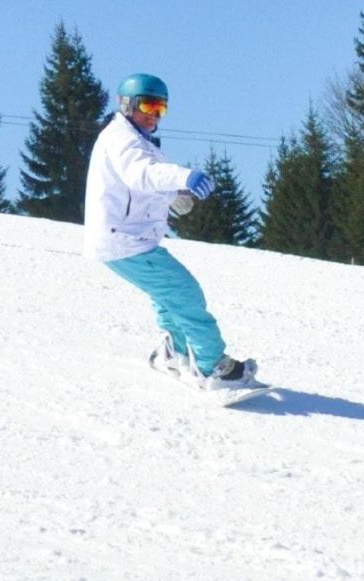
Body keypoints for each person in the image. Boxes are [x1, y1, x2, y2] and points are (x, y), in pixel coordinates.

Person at [84, 73, 256, 390]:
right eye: (147, 105)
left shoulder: (136, 140)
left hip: (129, 239)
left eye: (160, 108)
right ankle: (213, 366)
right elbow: (141, 174)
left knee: (168, 294)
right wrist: (183, 177)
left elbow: (139, 183)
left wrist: (171, 196)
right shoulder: (123, 140)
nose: (153, 115)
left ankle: (174, 353)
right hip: (124, 240)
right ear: (126, 105)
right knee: (184, 291)